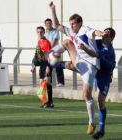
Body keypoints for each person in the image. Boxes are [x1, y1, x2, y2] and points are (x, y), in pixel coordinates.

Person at [48, 1, 110, 135]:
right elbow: (57, 25)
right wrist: (53, 10)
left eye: (73, 24)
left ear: (79, 23)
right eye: (70, 24)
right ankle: (50, 57)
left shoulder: (84, 30)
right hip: (80, 60)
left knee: (86, 94)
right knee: (66, 42)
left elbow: (95, 33)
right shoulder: (72, 31)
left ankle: (91, 122)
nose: (71, 26)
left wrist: (102, 34)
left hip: (90, 63)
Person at [79, 28, 116, 139]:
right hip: (96, 70)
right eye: (103, 35)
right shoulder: (98, 42)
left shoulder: (109, 49)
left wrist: (84, 48)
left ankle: (101, 130)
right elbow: (87, 35)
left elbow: (95, 55)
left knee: (100, 102)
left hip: (104, 75)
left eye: (107, 36)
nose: (104, 37)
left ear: (112, 38)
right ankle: (56, 64)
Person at [31, 26, 54, 108]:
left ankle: (50, 102)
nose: (40, 33)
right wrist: (33, 66)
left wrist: (48, 67)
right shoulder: (39, 42)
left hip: (47, 64)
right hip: (41, 65)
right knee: (41, 83)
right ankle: (45, 102)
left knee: (47, 82)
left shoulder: (46, 42)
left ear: (44, 33)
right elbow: (37, 55)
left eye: (41, 32)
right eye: (38, 32)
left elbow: (49, 55)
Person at [44, 18, 65, 87]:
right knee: (48, 66)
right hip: (47, 51)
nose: (48, 24)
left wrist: (51, 47)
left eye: (50, 23)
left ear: (52, 24)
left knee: (58, 65)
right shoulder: (44, 33)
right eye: (47, 23)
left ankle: (60, 82)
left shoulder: (55, 31)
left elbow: (55, 39)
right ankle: (50, 81)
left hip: (55, 50)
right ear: (45, 24)